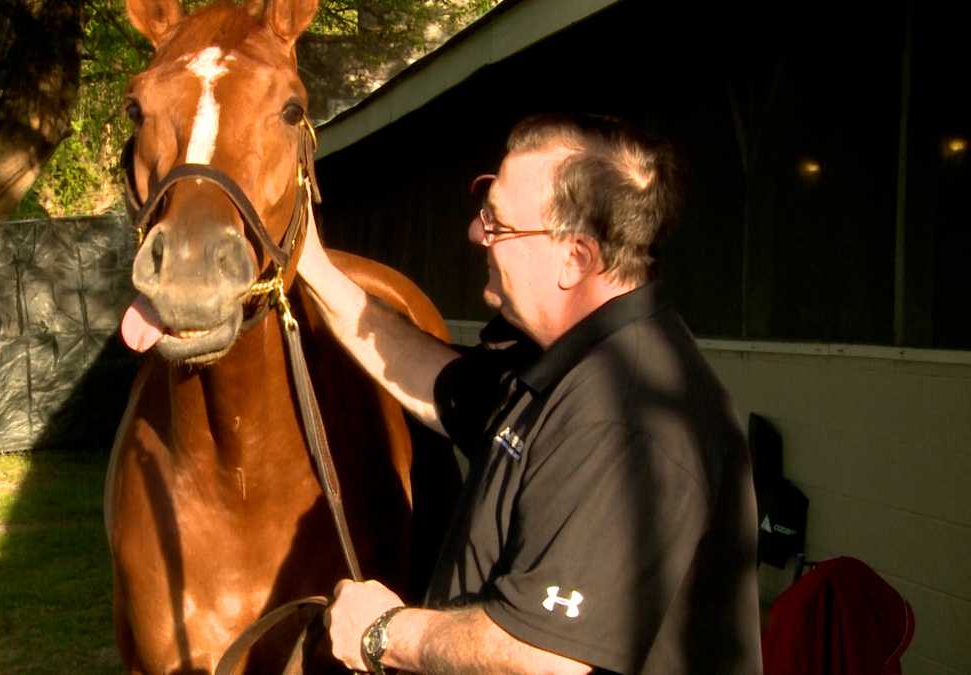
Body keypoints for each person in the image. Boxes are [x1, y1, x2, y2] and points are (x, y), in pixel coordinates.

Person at [298, 113, 762, 674]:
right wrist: (310, 262)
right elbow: (434, 380)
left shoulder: (625, 416)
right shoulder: (563, 362)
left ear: (575, 259)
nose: (476, 234)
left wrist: (381, 634)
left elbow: (544, 657)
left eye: (498, 224)